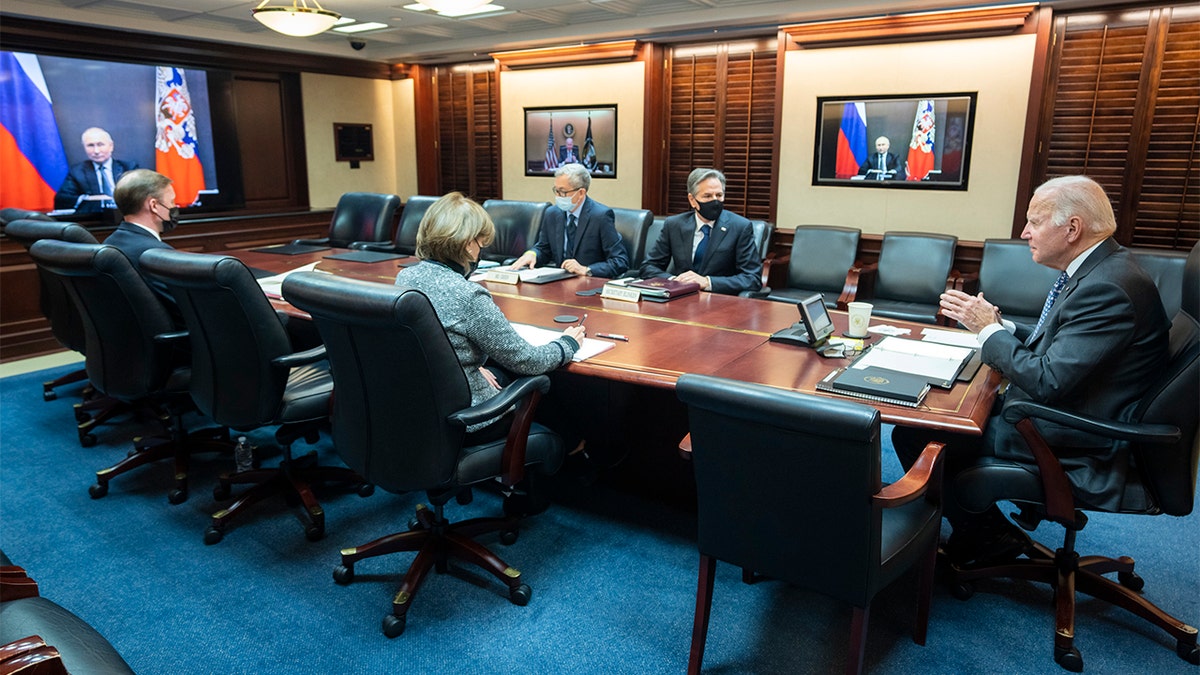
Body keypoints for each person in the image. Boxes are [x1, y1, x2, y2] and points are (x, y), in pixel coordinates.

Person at [892, 175, 1170, 566]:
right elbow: (1061, 345)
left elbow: (1047, 380)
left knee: (918, 432)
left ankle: (986, 536)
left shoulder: (1107, 288)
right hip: (1077, 412)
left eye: (1035, 222)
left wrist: (988, 331)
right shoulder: (1105, 269)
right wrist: (999, 327)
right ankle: (985, 528)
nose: (1024, 233)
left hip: (1078, 438)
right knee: (939, 417)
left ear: (1072, 228)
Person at [396, 192, 585, 435]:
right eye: (480, 242)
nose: (481, 249)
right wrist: (567, 344)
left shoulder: (406, 277)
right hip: (464, 420)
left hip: (420, 406)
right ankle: (571, 450)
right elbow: (527, 360)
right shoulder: (468, 295)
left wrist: (462, 365)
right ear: (467, 243)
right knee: (545, 388)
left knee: (498, 373)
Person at [639, 168, 761, 295]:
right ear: (692, 200)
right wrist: (675, 281)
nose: (715, 201)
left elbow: (752, 278)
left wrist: (707, 282)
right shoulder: (674, 225)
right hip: (681, 299)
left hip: (720, 300)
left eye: (719, 195)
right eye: (707, 196)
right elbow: (649, 267)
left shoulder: (740, 227)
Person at [509, 163, 628, 278]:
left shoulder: (601, 216)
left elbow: (620, 261)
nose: (558, 196)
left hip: (589, 285)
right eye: (556, 191)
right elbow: (544, 249)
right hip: (557, 283)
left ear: (581, 193)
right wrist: (533, 254)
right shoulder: (552, 213)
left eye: (563, 192)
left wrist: (586, 270)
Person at [55, 128, 139, 213]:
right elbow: (61, 199)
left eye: (100, 144)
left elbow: (140, 195)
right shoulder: (77, 172)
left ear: (111, 146)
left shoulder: (128, 167)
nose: (96, 151)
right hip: (93, 219)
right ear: (84, 147)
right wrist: (88, 198)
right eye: (90, 145)